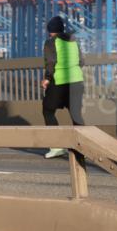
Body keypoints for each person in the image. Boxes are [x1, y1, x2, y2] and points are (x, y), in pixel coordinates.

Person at [41, 15, 85, 159]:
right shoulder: (73, 41)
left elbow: (50, 62)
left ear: (52, 31)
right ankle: (83, 147)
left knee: (48, 110)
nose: (49, 33)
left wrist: (47, 79)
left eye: (50, 31)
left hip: (60, 82)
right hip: (77, 81)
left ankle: (56, 146)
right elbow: (82, 61)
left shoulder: (50, 42)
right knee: (76, 114)